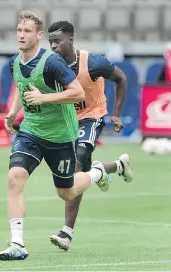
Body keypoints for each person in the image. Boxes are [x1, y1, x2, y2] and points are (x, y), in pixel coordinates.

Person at [0, 11, 111, 261]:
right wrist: (13, 112)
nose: (21, 35)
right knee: (14, 178)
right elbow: (21, 86)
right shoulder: (14, 62)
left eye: (27, 31)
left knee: (66, 192)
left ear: (39, 35)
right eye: (19, 31)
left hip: (60, 135)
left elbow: (78, 93)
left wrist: (44, 97)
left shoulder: (52, 62)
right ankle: (17, 244)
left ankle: (97, 172)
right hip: (31, 131)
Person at [48, 21, 133, 251]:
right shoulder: (50, 65)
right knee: (80, 174)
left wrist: (116, 114)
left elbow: (121, 78)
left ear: (71, 40)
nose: (53, 46)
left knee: (77, 162)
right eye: (51, 42)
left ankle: (66, 234)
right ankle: (111, 167)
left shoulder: (93, 62)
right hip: (68, 123)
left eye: (58, 41)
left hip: (92, 116)